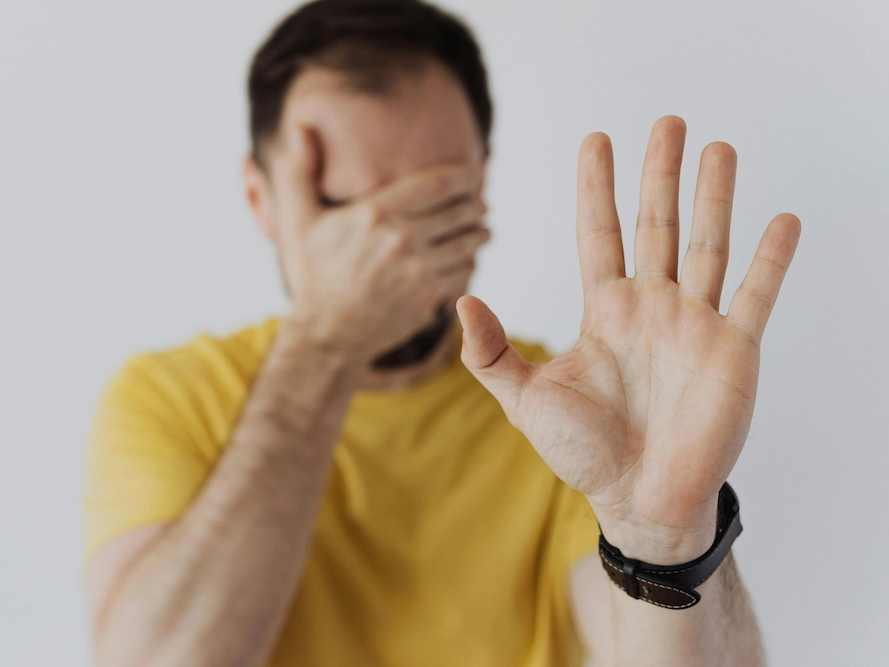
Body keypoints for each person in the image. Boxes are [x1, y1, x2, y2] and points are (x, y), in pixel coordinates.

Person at [82, 1, 801, 665]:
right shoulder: (170, 397)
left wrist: (665, 537)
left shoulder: (574, 412)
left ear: (480, 188)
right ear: (260, 200)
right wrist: (324, 341)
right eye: (341, 210)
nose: (388, 249)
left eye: (430, 205)